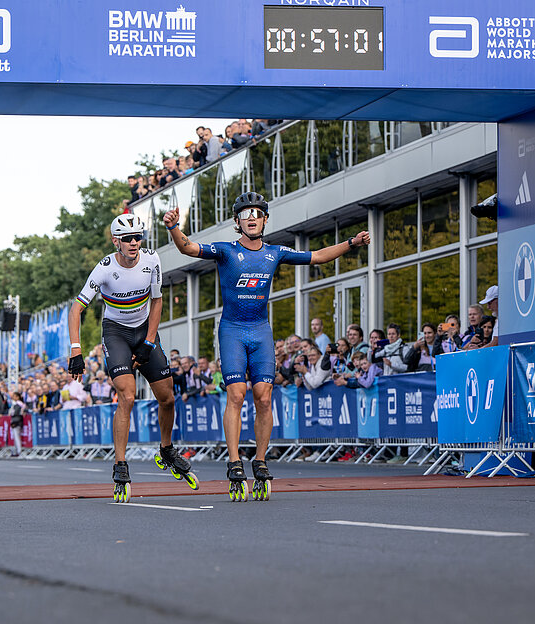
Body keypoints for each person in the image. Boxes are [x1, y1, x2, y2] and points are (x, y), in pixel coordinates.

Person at [163, 191, 370, 501]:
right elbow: (188, 248)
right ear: (237, 222)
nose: (252, 218)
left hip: (260, 331)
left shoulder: (275, 252)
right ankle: (234, 462)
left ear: (264, 219)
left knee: (264, 395)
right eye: (246, 214)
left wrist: (351, 243)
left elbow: (318, 255)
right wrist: (174, 227)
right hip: (232, 330)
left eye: (257, 213)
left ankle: (259, 460)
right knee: (236, 393)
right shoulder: (226, 251)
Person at [68, 213, 197, 503]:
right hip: (116, 332)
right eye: (127, 239)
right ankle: (121, 464)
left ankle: (166, 450)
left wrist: (150, 341)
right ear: (116, 241)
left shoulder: (152, 260)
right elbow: (76, 308)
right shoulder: (103, 269)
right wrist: (76, 348)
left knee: (168, 398)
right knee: (126, 396)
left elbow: (157, 300)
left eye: (138, 237)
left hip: (143, 329)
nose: (134, 243)